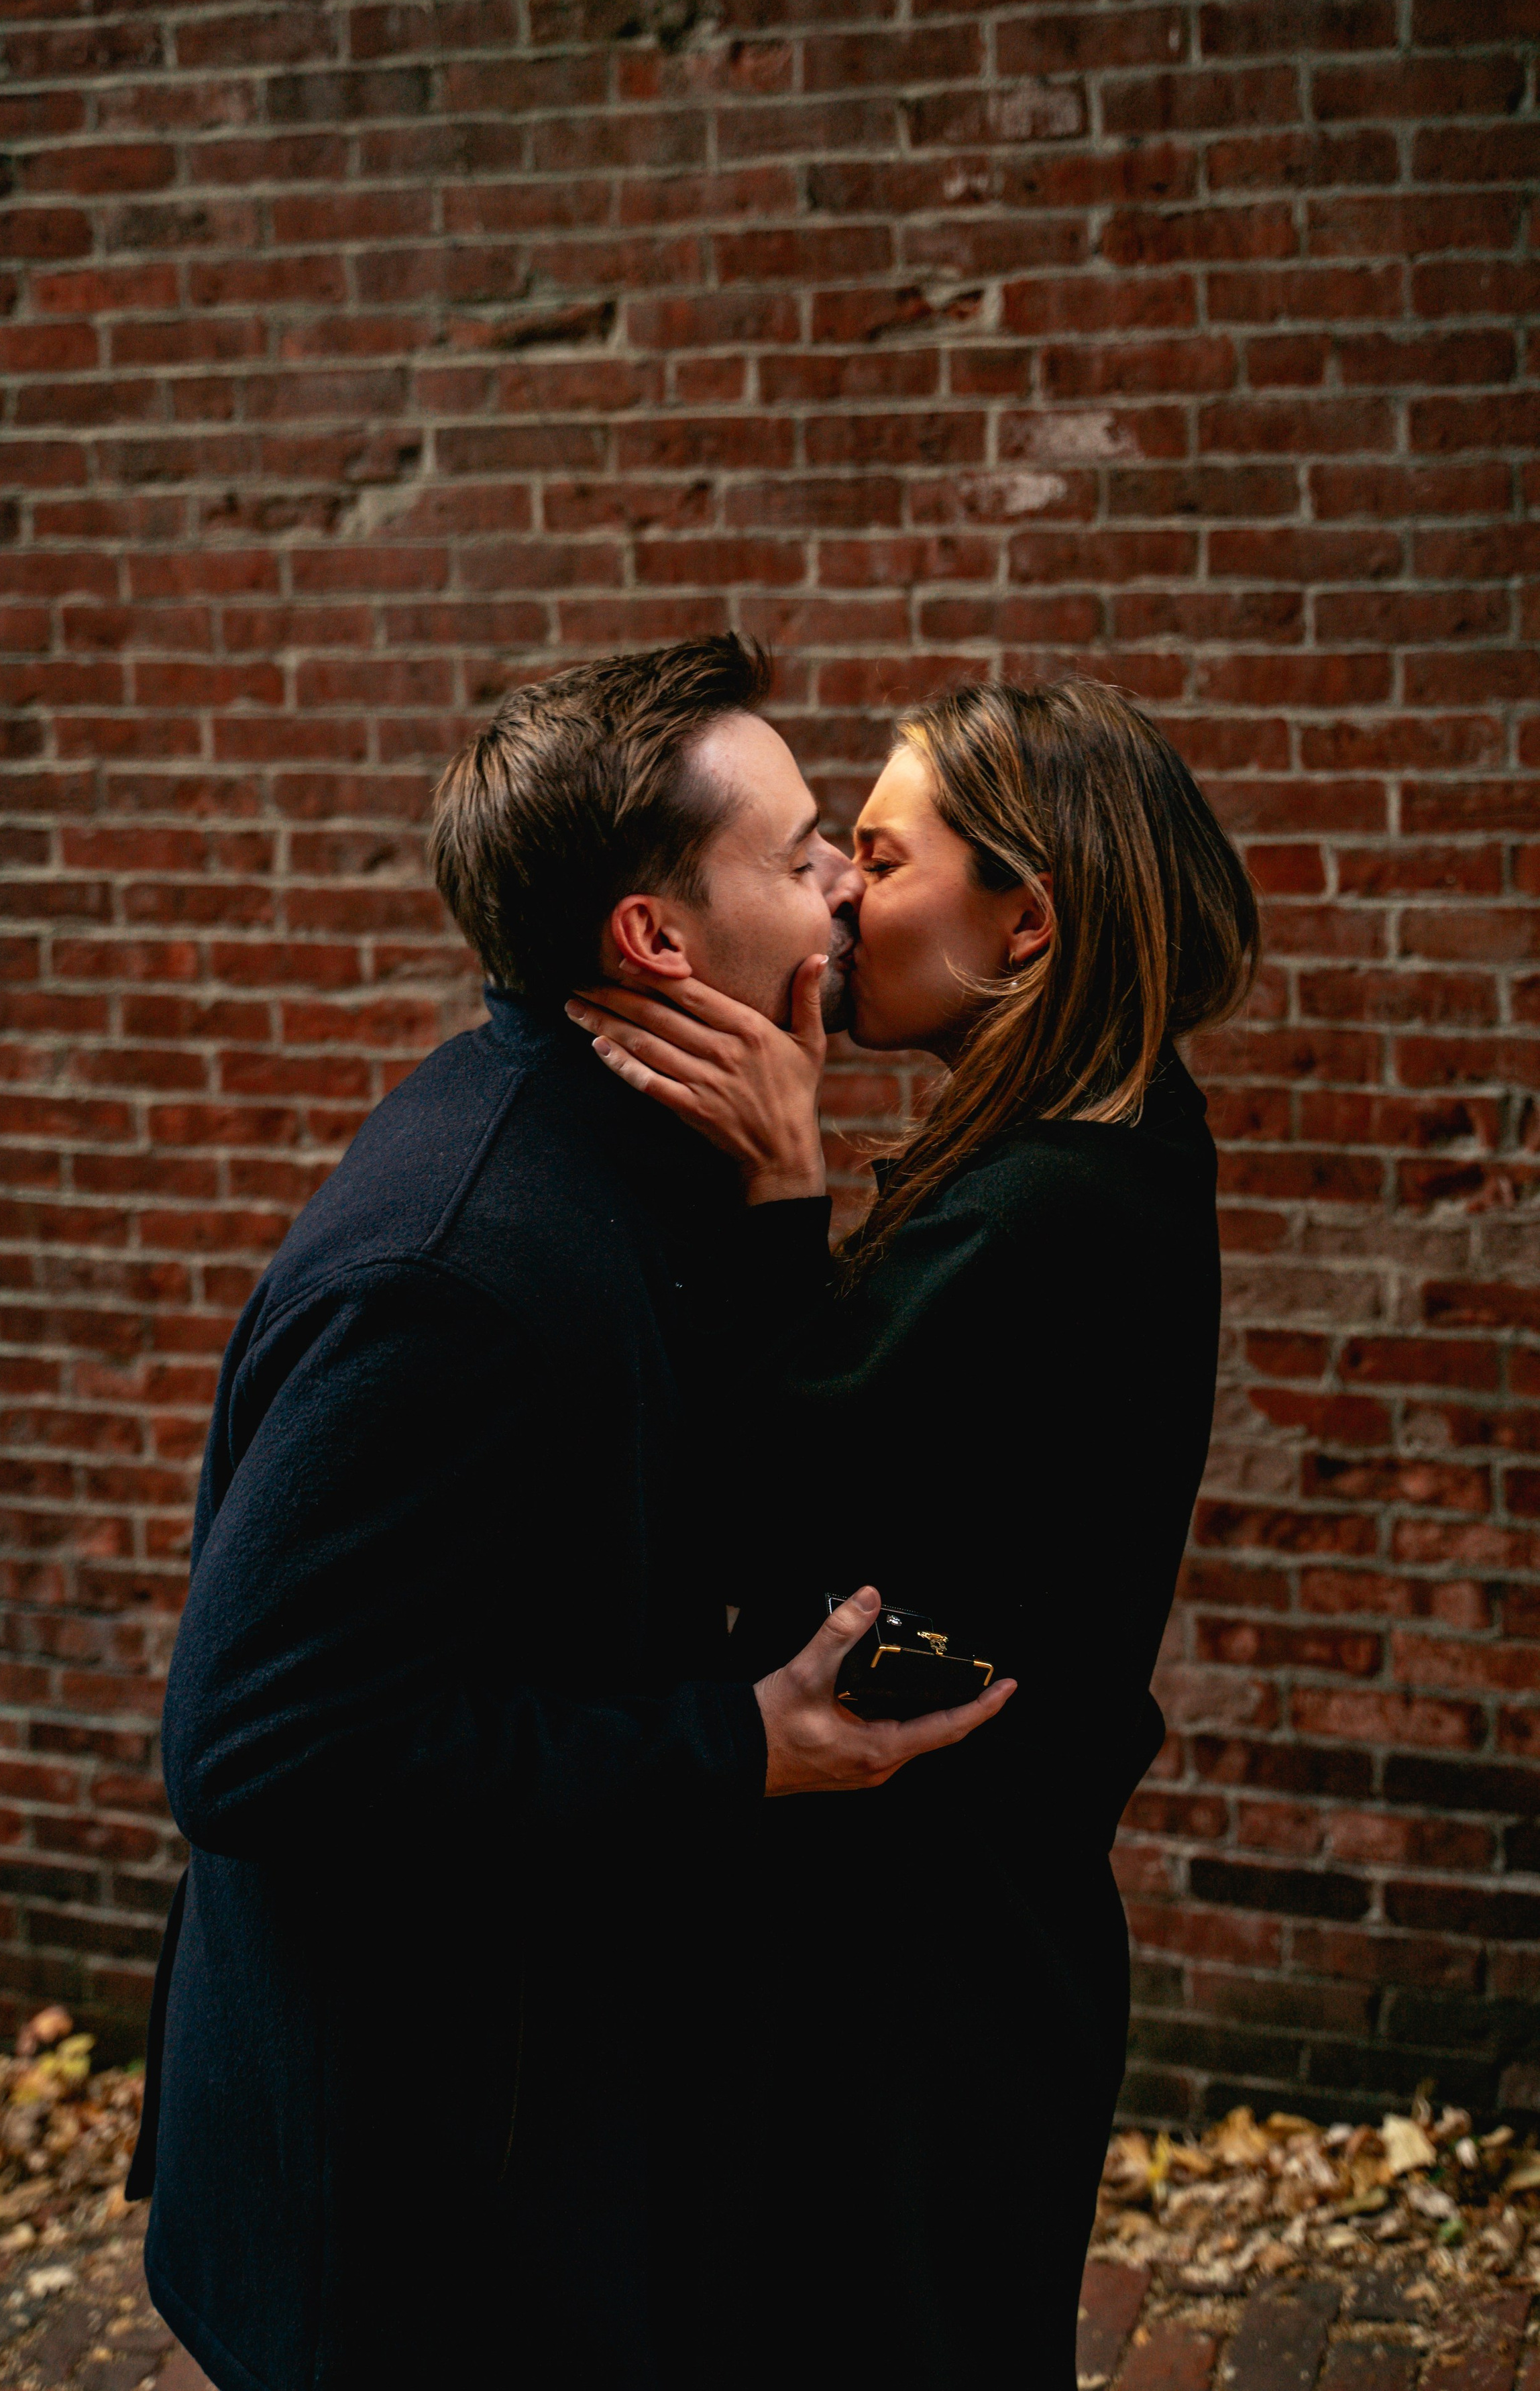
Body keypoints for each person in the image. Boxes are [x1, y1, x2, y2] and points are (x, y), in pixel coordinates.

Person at [126, 635, 1015, 2391]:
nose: (846, 879)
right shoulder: (447, 1267)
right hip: (413, 2216)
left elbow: (693, 1500)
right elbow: (251, 1748)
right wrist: (726, 1744)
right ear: (655, 941)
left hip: (560, 2144)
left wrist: (790, 1207)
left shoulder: (673, 1141)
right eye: (804, 846)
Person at [565, 676, 1260, 2387]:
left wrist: (780, 1185)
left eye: (879, 851)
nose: (841, 895)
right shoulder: (1109, 1133)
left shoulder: (1047, 1206)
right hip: (961, 1914)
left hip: (919, 1958)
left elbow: (776, 1484)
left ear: (1028, 919)